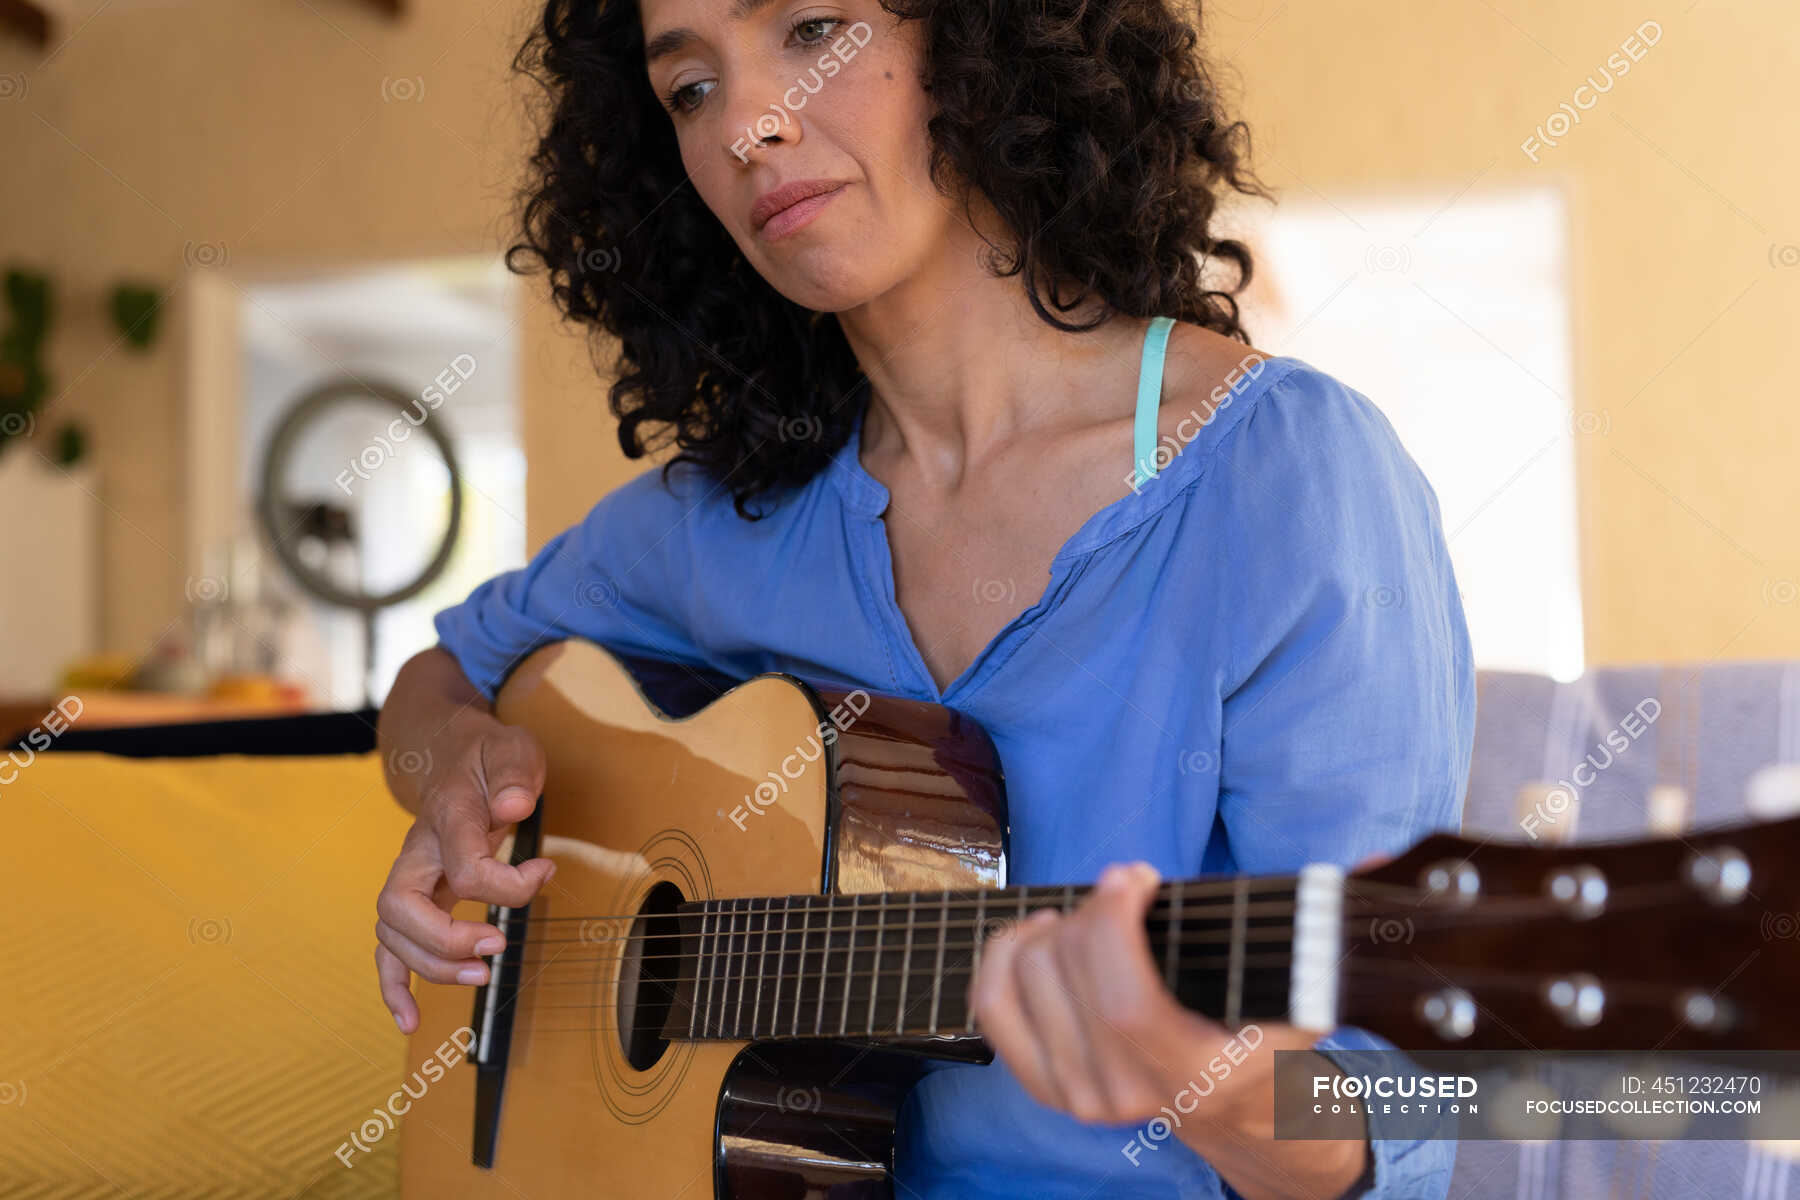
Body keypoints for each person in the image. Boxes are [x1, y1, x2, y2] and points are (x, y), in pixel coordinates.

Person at [372, 1, 1475, 1195]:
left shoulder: (1287, 479)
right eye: (688, 89)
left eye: (811, 28)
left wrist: (1197, 1077)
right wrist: (454, 792)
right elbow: (442, 677)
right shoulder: (725, 517)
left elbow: (1401, 1116)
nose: (747, 124)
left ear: (982, 39)